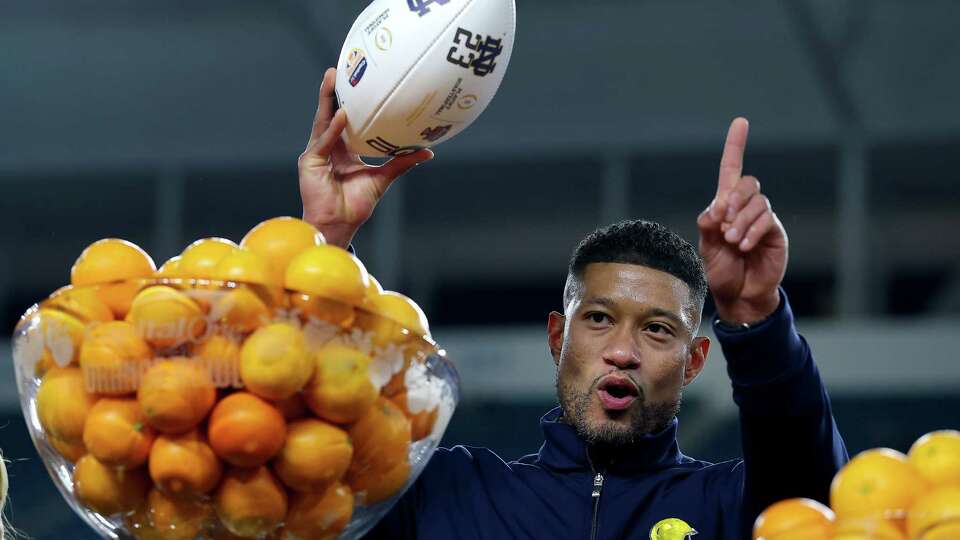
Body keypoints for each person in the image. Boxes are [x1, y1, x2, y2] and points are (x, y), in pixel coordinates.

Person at [298, 68, 849, 539]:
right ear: (559, 337)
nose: (622, 352)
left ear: (696, 360)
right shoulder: (446, 496)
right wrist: (324, 240)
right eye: (600, 319)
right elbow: (298, 458)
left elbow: (816, 501)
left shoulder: (729, 507)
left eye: (658, 330)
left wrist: (755, 315)